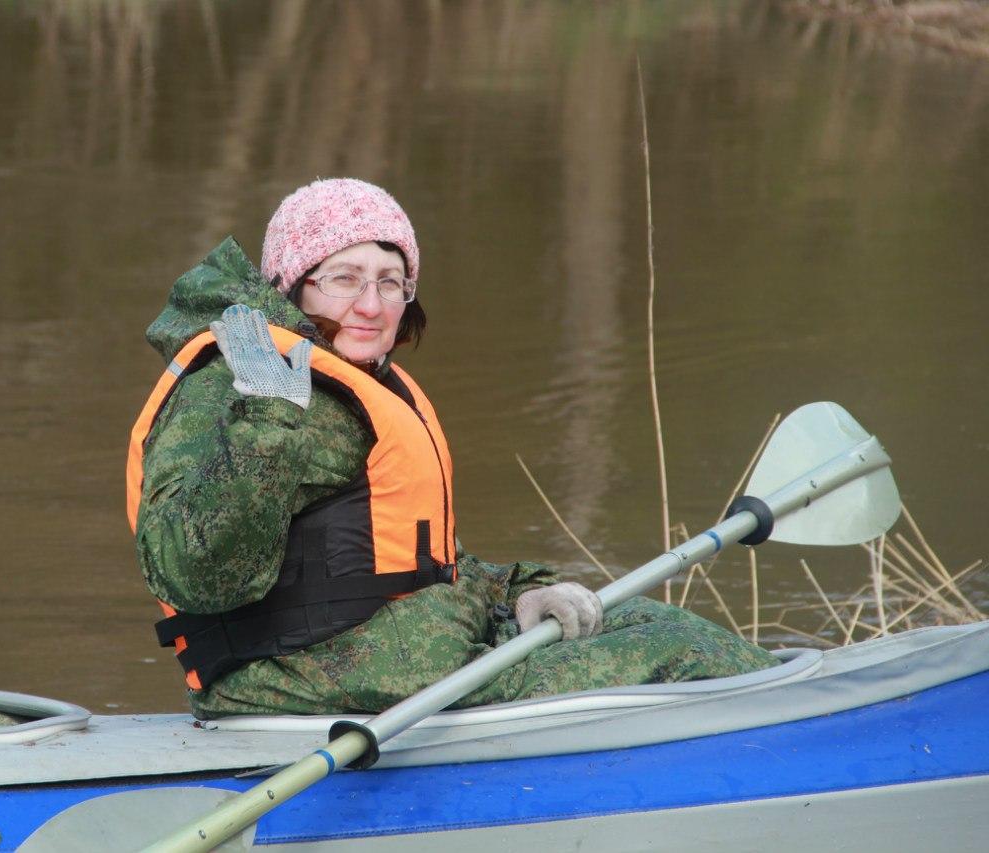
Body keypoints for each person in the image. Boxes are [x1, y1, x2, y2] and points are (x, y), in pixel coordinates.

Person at [126, 178, 777, 719]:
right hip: (297, 678)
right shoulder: (225, 388)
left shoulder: (366, 383)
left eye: (391, 281)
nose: (372, 305)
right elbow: (195, 572)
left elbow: (408, 562)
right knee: (670, 654)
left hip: (413, 654)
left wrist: (519, 592)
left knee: (644, 619)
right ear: (289, 289)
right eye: (344, 278)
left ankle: (791, 709)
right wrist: (268, 410)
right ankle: (800, 735)